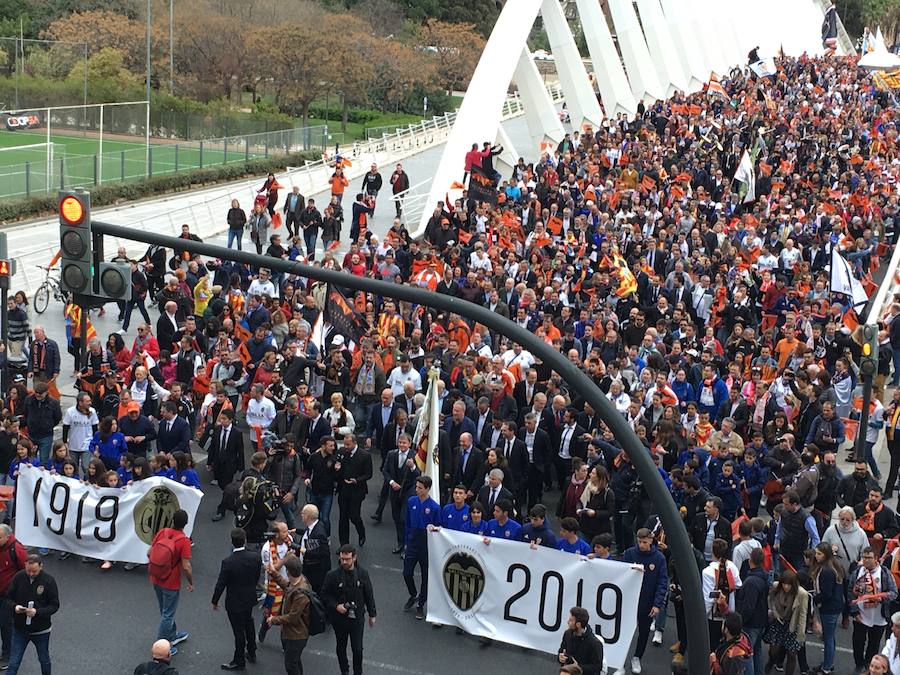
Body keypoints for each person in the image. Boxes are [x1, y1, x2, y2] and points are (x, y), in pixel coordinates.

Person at [212, 528, 262, 671]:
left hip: (235, 601)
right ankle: (252, 650)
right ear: (245, 540)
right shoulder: (255, 557)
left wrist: (215, 600)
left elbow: (221, 584)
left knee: (238, 631)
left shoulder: (228, 562)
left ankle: (239, 660)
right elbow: (256, 576)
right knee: (249, 622)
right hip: (249, 597)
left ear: (232, 542)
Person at [321, 545, 377, 675]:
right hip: (339, 619)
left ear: (354, 557)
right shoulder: (332, 575)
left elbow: (369, 594)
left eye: (347, 559)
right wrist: (336, 606)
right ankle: (344, 671)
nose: (344, 562)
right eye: (342, 559)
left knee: (357, 649)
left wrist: (372, 614)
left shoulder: (363, 574)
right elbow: (324, 595)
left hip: (357, 618)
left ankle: (358, 672)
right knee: (341, 647)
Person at [619, 528, 667, 674]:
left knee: (644, 633)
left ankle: (637, 658)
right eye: (639, 542)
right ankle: (620, 661)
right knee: (623, 632)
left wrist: (657, 604)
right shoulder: (629, 553)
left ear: (651, 540)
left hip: (647, 603)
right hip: (629, 602)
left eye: (644, 542)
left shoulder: (659, 558)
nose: (641, 545)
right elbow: (620, 572)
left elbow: (662, 582)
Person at [3, 554, 58, 675]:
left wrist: (37, 612)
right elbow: (7, 598)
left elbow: (54, 605)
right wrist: (15, 607)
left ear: (41, 566)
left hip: (41, 631)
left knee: (44, 660)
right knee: (14, 663)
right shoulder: (19, 577)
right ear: (25, 566)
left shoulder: (49, 581)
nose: (31, 574)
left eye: (34, 571)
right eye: (28, 571)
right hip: (20, 629)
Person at [148, 509, 193, 655]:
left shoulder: (163, 532)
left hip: (156, 577)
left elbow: (150, 552)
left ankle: (172, 635)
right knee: (168, 613)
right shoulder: (184, 541)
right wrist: (190, 581)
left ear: (172, 520)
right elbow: (186, 566)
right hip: (171, 582)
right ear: (185, 524)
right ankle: (162, 646)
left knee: (165, 610)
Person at [850, 546, 898, 672]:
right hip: (861, 615)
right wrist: (854, 612)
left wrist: (881, 598)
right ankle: (859, 665)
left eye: (869, 558)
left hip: (879, 617)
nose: (866, 561)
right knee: (858, 643)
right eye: (864, 557)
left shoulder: (884, 573)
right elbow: (850, 592)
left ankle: (869, 667)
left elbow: (894, 593)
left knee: (874, 645)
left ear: (876, 558)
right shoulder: (857, 572)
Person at [402, 476, 441, 620]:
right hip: (412, 543)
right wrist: (406, 541)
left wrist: (435, 528)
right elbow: (407, 522)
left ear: (427, 489)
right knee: (407, 573)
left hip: (426, 546)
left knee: (426, 577)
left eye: (420, 488)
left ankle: (421, 605)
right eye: (416, 487)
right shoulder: (411, 501)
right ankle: (413, 594)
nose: (417, 490)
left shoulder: (435, 507)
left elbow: (439, 528)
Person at [266, 555, 311, 675]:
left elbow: (292, 617)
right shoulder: (299, 581)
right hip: (294, 633)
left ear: (288, 572)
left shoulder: (301, 594)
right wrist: (275, 574)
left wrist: (273, 619)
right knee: (295, 662)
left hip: (296, 635)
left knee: (290, 665)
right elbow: (287, 587)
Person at [764, 570, 809, 675]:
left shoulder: (801, 593)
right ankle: (771, 662)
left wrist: (801, 634)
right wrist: (773, 611)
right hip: (778, 622)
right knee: (773, 652)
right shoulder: (776, 587)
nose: (786, 587)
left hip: (792, 624)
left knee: (792, 654)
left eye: (788, 584)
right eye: (784, 583)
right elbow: (770, 599)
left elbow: (803, 613)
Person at [810, 541, 844, 674]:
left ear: (826, 555)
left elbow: (826, 594)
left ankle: (826, 668)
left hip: (829, 608)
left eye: (819, 554)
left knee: (828, 638)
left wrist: (813, 597)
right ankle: (828, 663)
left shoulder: (826, 571)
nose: (816, 556)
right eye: (816, 553)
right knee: (830, 637)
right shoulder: (834, 566)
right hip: (835, 606)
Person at [736, 547, 768, 675]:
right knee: (757, 651)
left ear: (750, 560)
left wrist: (741, 621)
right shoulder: (764, 577)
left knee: (746, 653)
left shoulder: (750, 582)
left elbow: (748, 606)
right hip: (761, 621)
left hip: (751, 623)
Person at [337, 434, 372, 547]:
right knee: (343, 517)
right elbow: (338, 466)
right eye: (345, 444)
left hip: (357, 491)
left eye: (348, 444)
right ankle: (344, 544)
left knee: (354, 515)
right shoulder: (342, 452)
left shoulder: (365, 455)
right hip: (343, 489)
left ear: (355, 443)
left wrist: (356, 480)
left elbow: (368, 474)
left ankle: (361, 533)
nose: (346, 447)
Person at [0, 525, 26, 668]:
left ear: (8, 537)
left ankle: (7, 655)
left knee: (5, 625)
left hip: (7, 595)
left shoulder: (16, 550)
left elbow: (26, 571)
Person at [557, 606, 604, 675]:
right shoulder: (567, 634)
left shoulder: (595, 643)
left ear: (578, 624)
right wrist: (560, 658)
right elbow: (561, 651)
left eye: (571, 620)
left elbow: (597, 667)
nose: (568, 622)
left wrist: (578, 667)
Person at [297, 504, 331, 593]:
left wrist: (301, 549)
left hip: (315, 574)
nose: (301, 514)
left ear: (308, 516)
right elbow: (308, 533)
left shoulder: (319, 533)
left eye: (303, 513)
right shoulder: (314, 526)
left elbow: (323, 553)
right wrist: (297, 531)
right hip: (310, 569)